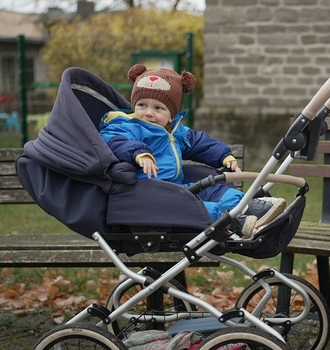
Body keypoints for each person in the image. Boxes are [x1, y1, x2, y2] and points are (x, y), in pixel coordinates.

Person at [99, 65, 285, 237]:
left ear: (171, 115)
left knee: (217, 191)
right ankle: (234, 222)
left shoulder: (175, 131)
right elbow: (115, 139)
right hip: (148, 194)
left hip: (175, 188)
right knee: (194, 205)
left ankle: (250, 208)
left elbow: (199, 142)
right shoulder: (129, 125)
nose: (148, 113)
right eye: (142, 105)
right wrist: (139, 153)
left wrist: (224, 156)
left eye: (158, 108)